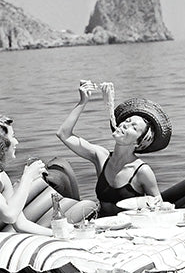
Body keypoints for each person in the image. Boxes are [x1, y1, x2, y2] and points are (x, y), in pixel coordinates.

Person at [56, 82, 171, 216]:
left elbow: (159, 208)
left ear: (138, 143)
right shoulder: (100, 156)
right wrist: (83, 102)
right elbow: (63, 134)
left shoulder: (142, 171)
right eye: (127, 121)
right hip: (101, 227)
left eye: (134, 127)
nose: (125, 125)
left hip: (130, 231)